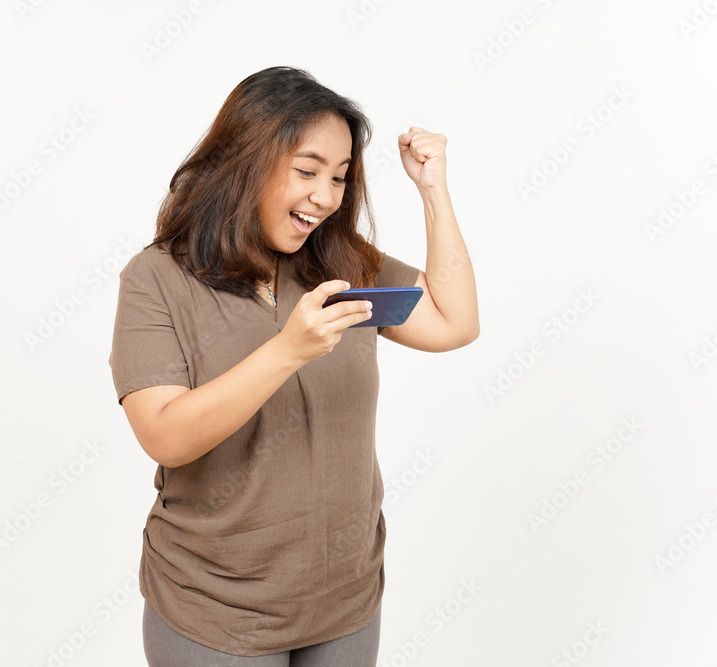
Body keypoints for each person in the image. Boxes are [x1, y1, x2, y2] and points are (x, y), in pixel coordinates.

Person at [109, 65, 479, 666]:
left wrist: (433, 190)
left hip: (345, 599)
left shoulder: (344, 263)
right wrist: (288, 351)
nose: (326, 198)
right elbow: (165, 436)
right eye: (307, 171)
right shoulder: (157, 278)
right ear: (244, 163)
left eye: (339, 177)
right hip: (216, 608)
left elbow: (454, 322)